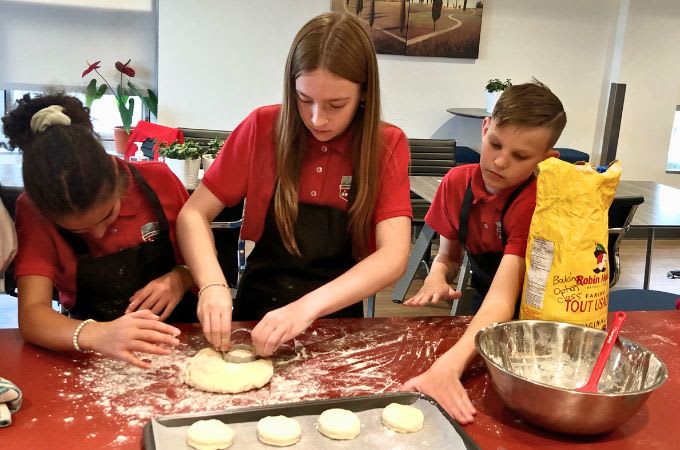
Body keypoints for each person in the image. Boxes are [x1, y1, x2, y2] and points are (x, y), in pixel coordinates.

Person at [177, 12, 412, 356]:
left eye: (336, 104)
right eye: (304, 100)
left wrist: (307, 307)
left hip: (336, 318)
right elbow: (193, 215)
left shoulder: (386, 144)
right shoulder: (262, 127)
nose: (318, 118)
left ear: (363, 93)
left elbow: (393, 255)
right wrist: (212, 283)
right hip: (257, 311)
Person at [400, 81, 567, 423]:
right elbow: (449, 255)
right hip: (483, 310)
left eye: (521, 156)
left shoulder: (533, 202)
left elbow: (504, 299)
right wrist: (436, 275)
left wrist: (448, 366)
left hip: (534, 322)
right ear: (486, 127)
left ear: (546, 160)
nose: (501, 161)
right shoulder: (456, 184)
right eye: (495, 144)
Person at [2, 93, 197, 368]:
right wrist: (98, 334)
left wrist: (181, 277)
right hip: (92, 351)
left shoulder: (158, 181)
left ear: (118, 178)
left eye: (107, 216)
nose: (99, 235)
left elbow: (205, 260)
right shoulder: (33, 210)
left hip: (182, 339)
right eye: (78, 231)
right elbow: (33, 316)